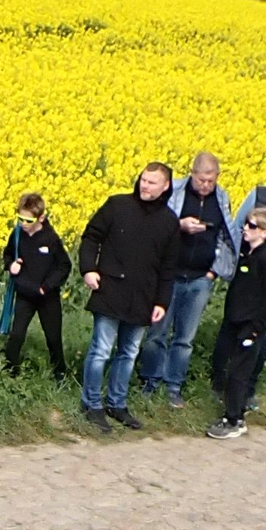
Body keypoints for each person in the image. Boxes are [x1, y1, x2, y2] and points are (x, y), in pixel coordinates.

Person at [76, 163, 183, 431]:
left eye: (152, 182)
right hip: (110, 289)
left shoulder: (169, 221)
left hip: (143, 297)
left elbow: (168, 267)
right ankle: (91, 403)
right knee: (101, 350)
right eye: (143, 180)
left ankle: (117, 403)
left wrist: (162, 301)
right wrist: (88, 269)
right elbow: (91, 237)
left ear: (165, 186)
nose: (145, 186)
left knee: (129, 352)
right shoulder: (117, 205)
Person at [139, 150, 236, 409]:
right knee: (156, 333)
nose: (206, 185)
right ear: (192, 173)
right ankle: (150, 380)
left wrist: (213, 272)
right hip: (168, 276)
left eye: (211, 180)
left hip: (200, 278)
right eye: (202, 179)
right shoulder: (176, 192)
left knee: (185, 338)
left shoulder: (222, 198)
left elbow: (227, 237)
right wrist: (179, 225)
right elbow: (156, 221)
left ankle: (174, 387)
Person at [205, 202, 266, 437]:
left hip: (250, 327)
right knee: (228, 366)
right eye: (246, 224)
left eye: (252, 226)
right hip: (234, 322)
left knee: (239, 373)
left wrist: (255, 330)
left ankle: (235, 420)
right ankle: (231, 413)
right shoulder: (248, 254)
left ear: (264, 232)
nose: (245, 229)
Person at [0, 194, 71, 378]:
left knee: (53, 337)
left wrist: (46, 287)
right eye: (20, 218)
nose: (23, 223)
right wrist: (10, 265)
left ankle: (60, 373)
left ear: (41, 218)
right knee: (16, 335)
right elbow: (7, 255)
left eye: (28, 220)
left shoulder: (51, 238)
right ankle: (10, 372)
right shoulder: (17, 235)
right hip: (25, 294)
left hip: (48, 296)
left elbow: (64, 266)